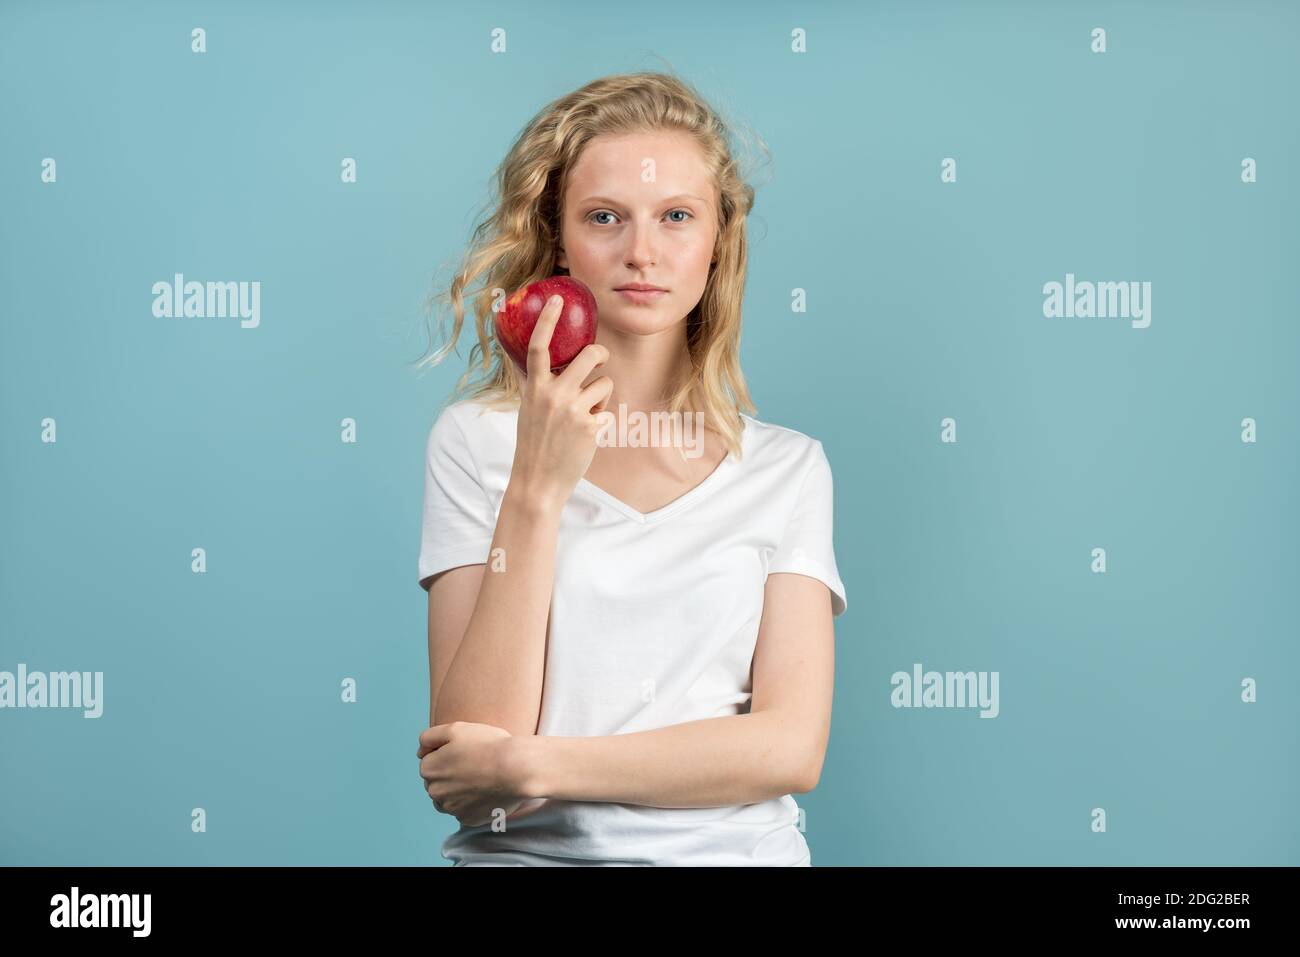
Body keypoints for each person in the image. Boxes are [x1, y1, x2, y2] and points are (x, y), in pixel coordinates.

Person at [414, 71, 847, 866]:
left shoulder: (788, 469)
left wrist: (536, 762)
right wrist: (538, 487)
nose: (641, 252)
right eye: (604, 217)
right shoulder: (475, 443)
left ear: (720, 243)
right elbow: (469, 776)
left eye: (677, 216)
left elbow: (789, 748)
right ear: (558, 240)